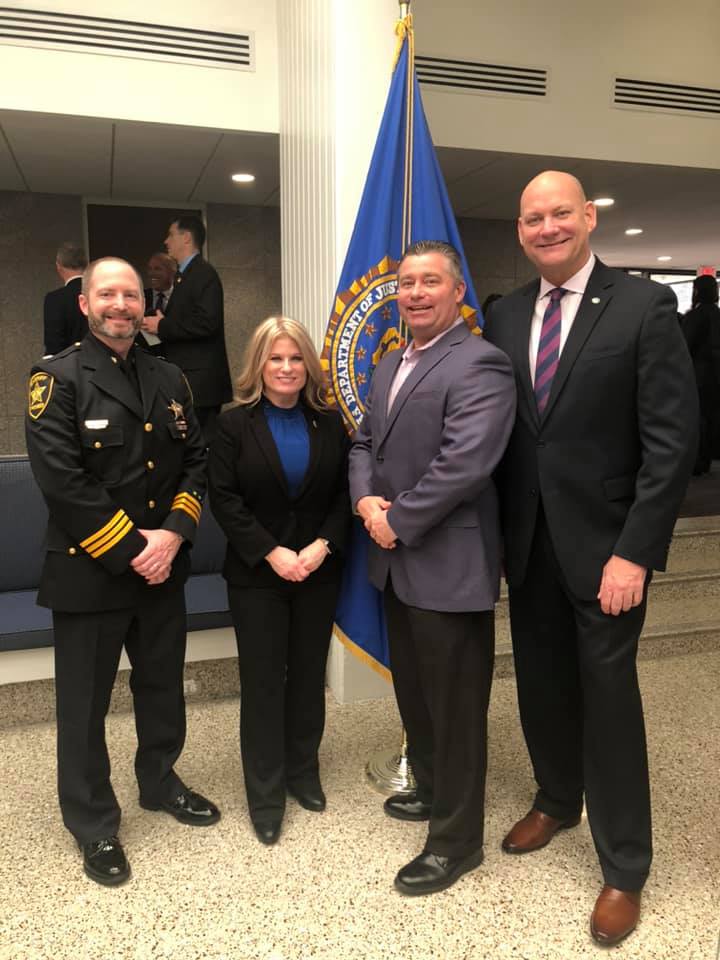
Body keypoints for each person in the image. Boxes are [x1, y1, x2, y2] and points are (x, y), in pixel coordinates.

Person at [483, 171, 698, 945]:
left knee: (608, 702)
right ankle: (554, 798)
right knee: (540, 684)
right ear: (520, 228)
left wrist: (635, 551)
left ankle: (625, 868)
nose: (547, 228)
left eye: (560, 214)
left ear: (589, 218)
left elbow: (672, 444)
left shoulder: (643, 307)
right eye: (533, 217)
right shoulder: (503, 315)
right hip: (528, 545)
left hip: (609, 552)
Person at [26, 257, 220, 889]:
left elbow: (196, 460)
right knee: (83, 706)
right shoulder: (56, 379)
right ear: (84, 303)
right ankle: (93, 824)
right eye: (106, 294)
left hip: (162, 568)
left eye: (130, 295)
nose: (120, 305)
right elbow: (64, 483)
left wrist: (175, 534)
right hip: (92, 572)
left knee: (163, 687)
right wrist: (135, 547)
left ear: (145, 304)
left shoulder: (171, 377)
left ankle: (160, 783)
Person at [348, 240, 516, 896]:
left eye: (429, 282)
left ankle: (456, 843)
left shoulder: (480, 363)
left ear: (456, 293)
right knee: (416, 698)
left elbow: (466, 462)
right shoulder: (391, 361)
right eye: (406, 283)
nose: (415, 293)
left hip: (447, 563)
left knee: (455, 711)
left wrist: (397, 519)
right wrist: (365, 500)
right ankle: (432, 792)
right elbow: (365, 439)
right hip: (394, 564)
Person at [208, 316, 350, 846]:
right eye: (276, 358)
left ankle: (302, 772)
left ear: (307, 365)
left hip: (318, 570)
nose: (287, 368)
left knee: (310, 677)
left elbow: (344, 494)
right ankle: (265, 793)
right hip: (257, 577)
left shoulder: (329, 423)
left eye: (295, 358)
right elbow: (223, 498)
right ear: (258, 365)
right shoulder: (231, 425)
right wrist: (273, 553)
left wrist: (319, 547)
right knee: (265, 684)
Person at [142, 215, 232, 440]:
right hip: (191, 379)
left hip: (201, 384)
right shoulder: (185, 276)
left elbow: (206, 322)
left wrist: (162, 325)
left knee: (201, 443)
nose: (166, 241)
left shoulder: (203, 274)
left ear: (186, 238)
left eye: (171, 234)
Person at [682, 274, 720, 474]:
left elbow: (684, 346)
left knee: (696, 418)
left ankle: (697, 459)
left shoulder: (696, 316)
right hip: (715, 375)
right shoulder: (716, 313)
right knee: (711, 416)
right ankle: (706, 458)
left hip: (698, 374)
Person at [43, 241, 88, 355]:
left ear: (58, 266)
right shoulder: (100, 294)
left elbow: (53, 344)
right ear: (86, 264)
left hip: (68, 368)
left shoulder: (55, 299)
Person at [138, 251, 176, 354]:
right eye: (150, 269)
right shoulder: (140, 298)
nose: (151, 273)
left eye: (157, 269)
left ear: (172, 272)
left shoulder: (182, 297)